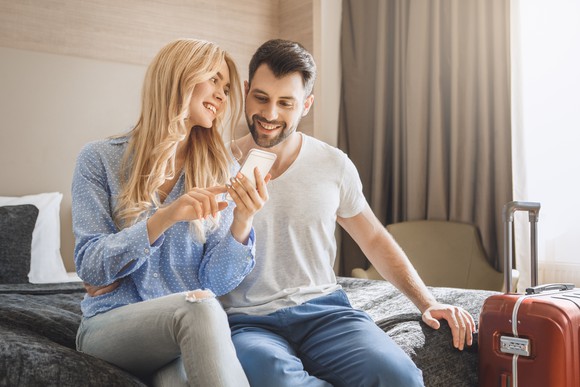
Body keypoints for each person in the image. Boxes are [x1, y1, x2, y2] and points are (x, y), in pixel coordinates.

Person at [217, 39, 477, 387]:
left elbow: (373, 237)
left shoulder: (332, 164)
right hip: (249, 322)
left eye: (286, 103)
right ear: (247, 92)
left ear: (306, 105)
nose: (270, 114)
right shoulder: (214, 165)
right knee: (279, 380)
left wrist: (427, 302)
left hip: (325, 312)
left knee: (399, 377)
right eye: (261, 98)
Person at [72, 38, 269, 386]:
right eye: (214, 80)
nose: (223, 96)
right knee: (201, 307)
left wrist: (242, 222)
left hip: (179, 335)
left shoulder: (221, 170)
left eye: (226, 88)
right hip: (110, 325)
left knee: (179, 375)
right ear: (178, 77)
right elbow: (90, 265)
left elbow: (215, 281)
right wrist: (166, 216)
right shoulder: (99, 159)